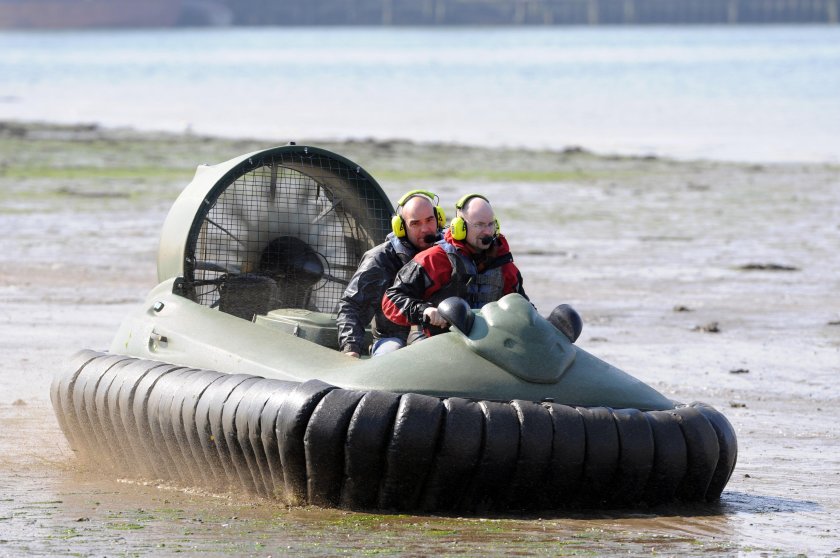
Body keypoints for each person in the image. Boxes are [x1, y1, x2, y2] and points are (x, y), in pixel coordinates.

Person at [382, 193, 528, 336]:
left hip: (488, 345)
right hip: (440, 343)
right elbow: (391, 300)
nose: (488, 232)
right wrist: (424, 311)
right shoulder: (434, 259)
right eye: (479, 225)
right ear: (460, 227)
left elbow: (523, 307)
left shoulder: (503, 264)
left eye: (491, 224)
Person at [336, 190, 446, 357]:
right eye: (415, 223)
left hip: (441, 336)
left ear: (439, 219)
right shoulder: (380, 258)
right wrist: (351, 348)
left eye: (430, 220)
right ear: (400, 227)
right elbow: (353, 306)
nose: (425, 229)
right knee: (390, 351)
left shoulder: (451, 252)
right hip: (392, 337)